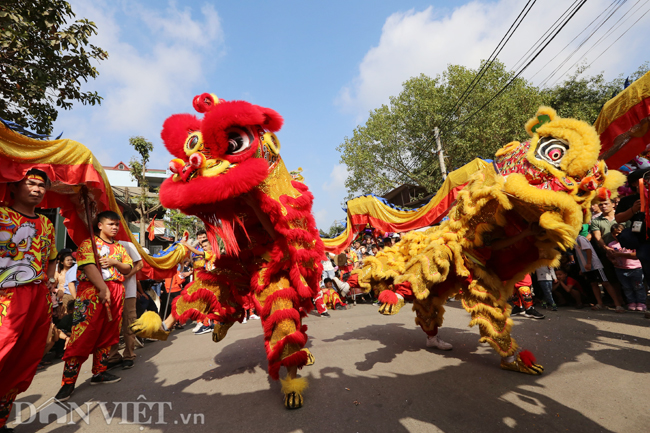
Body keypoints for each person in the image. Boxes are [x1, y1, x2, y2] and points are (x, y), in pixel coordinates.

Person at [0, 169, 58, 432]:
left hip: (37, 296)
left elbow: (52, 259)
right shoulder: (1, 215)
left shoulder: (46, 224)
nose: (37, 189)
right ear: (13, 187)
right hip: (6, 296)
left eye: (42, 185)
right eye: (30, 183)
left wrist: (49, 284)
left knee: (23, 357)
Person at [55, 211, 133, 401]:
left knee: (109, 334)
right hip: (92, 293)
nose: (115, 227)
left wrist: (115, 262)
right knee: (82, 335)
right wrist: (102, 287)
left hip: (116, 290)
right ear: (99, 225)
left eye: (117, 224)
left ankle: (99, 372)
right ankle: (68, 382)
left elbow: (128, 267)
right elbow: (89, 267)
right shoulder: (88, 243)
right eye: (110, 224)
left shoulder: (120, 248)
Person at [107, 240, 143, 370]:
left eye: (116, 224)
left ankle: (128, 355)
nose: (114, 227)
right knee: (112, 325)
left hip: (128, 291)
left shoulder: (125, 245)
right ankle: (113, 356)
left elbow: (139, 264)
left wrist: (127, 276)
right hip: (109, 292)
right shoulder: (96, 245)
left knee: (129, 323)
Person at [574, 224, 624, 312]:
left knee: (605, 283)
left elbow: (588, 250)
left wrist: (589, 263)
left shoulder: (581, 238)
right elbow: (580, 255)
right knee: (593, 283)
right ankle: (600, 303)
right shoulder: (574, 241)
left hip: (594, 264)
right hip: (586, 266)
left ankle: (618, 304)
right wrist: (582, 268)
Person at [608, 223, 646, 311]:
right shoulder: (611, 245)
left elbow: (636, 255)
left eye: (619, 233)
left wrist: (619, 254)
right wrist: (612, 260)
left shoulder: (631, 242)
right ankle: (631, 302)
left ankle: (641, 302)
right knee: (627, 287)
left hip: (635, 268)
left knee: (638, 287)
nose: (617, 235)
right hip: (620, 269)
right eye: (614, 234)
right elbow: (609, 255)